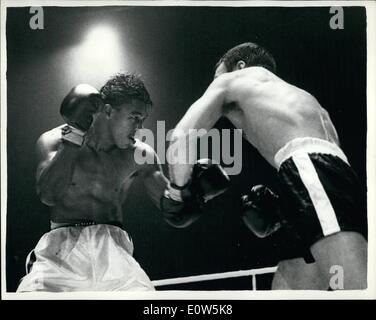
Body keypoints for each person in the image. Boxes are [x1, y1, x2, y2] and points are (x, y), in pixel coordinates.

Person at [165, 42, 367, 290]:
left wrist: (178, 192)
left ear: (239, 66)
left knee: (356, 287)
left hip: (310, 171)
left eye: (217, 76)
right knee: (289, 283)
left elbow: (181, 136)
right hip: (323, 176)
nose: (213, 84)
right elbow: (328, 167)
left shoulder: (233, 81)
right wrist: (288, 208)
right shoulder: (302, 99)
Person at [17, 73, 230, 292]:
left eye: (142, 120)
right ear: (108, 111)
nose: (139, 127)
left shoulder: (141, 154)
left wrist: (192, 192)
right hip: (60, 252)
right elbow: (48, 195)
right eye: (134, 117)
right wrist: (74, 137)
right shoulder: (53, 140)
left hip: (114, 252)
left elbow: (171, 206)